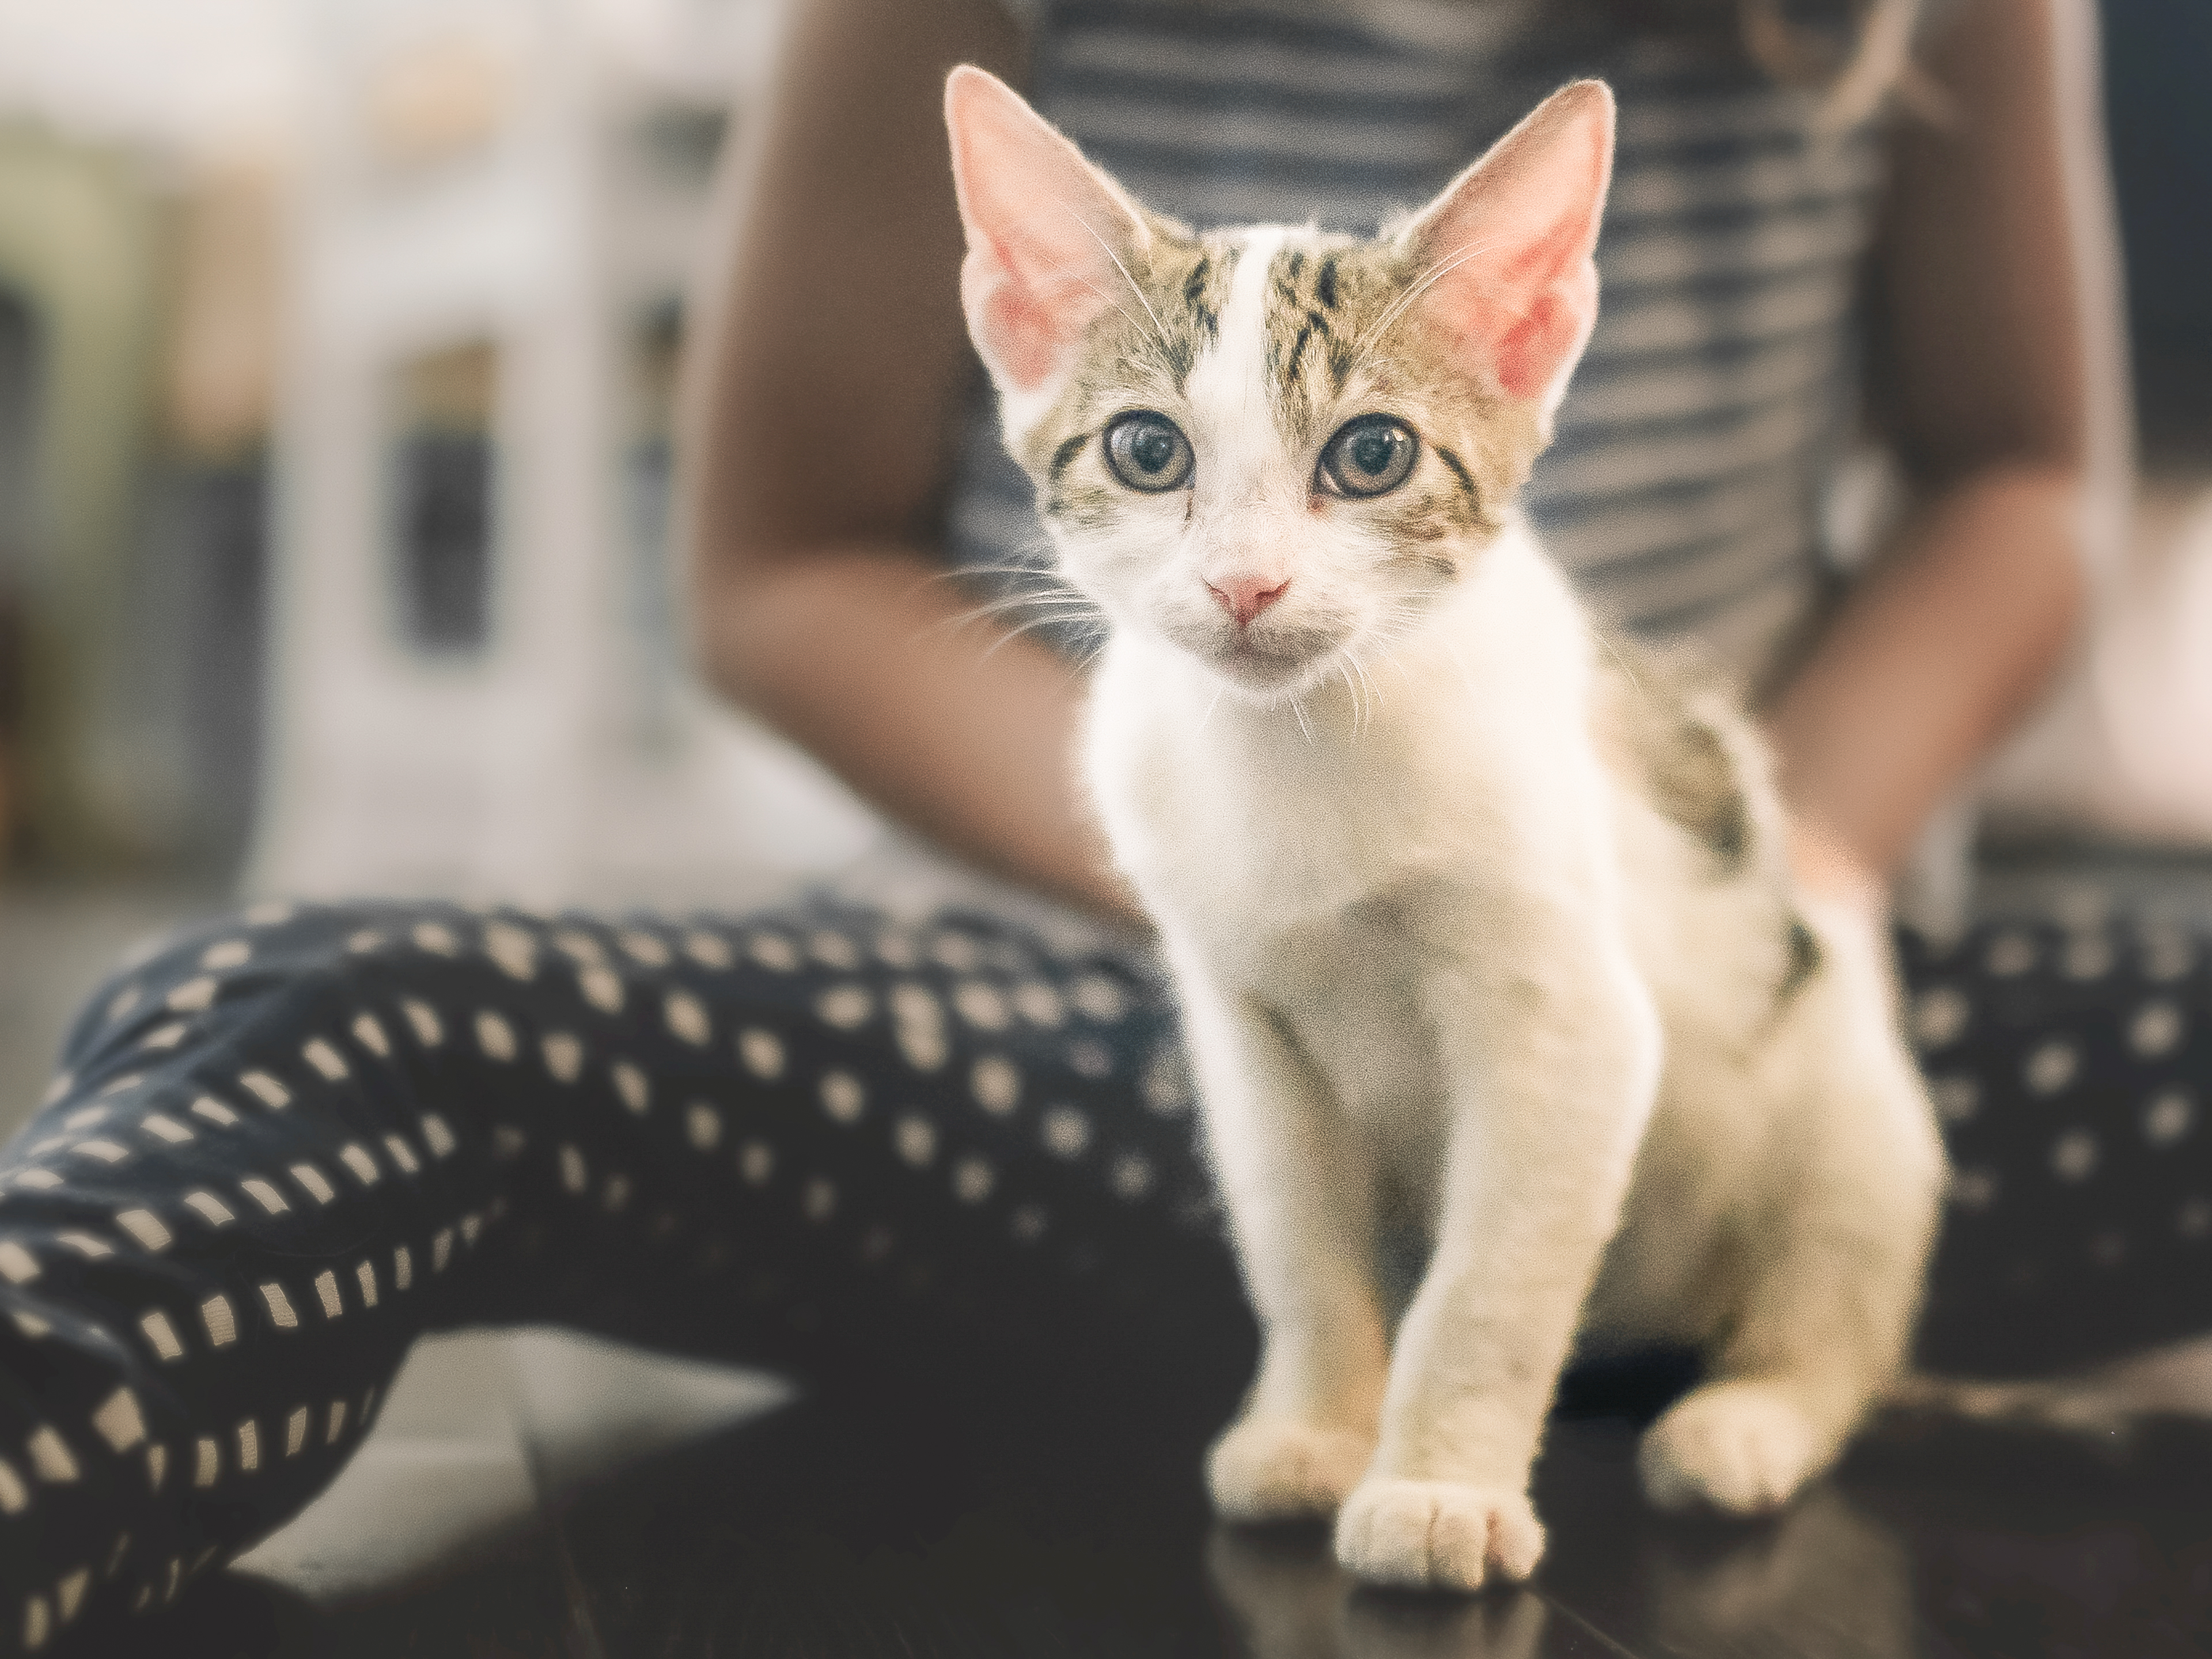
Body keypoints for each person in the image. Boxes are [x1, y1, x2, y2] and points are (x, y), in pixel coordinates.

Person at [0, 0, 2178, 1650]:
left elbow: (2019, 477)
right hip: (1077, 1012)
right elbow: (776, 569)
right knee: (342, 1003)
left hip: (1745, 1024)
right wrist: (1226, 873)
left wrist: (1787, 886)